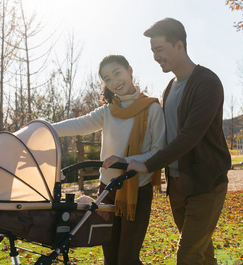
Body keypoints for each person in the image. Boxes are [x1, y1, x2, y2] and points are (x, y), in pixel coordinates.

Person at [125, 18, 231, 264]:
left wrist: (149, 164)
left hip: (206, 184)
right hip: (177, 186)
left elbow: (190, 136)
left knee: (188, 255)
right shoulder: (169, 88)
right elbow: (163, 136)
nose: (155, 57)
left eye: (159, 49)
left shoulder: (207, 82)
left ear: (179, 46)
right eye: (153, 51)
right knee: (202, 253)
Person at [52, 54, 165, 265]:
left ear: (130, 70)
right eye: (107, 79)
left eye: (117, 73)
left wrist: (125, 160)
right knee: (110, 259)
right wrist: (47, 128)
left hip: (137, 191)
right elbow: (79, 124)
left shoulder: (152, 109)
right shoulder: (108, 111)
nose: (114, 82)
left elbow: (159, 151)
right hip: (107, 191)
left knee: (127, 259)